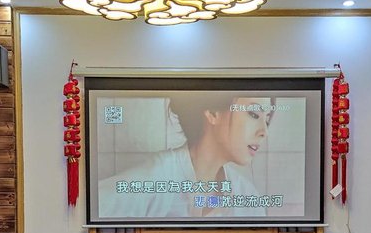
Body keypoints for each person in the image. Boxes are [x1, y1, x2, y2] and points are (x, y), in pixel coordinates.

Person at [98, 93, 274, 219]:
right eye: (254, 114)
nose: (264, 132)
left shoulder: (247, 196)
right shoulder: (155, 178)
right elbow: (91, 210)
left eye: (267, 120)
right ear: (213, 113)